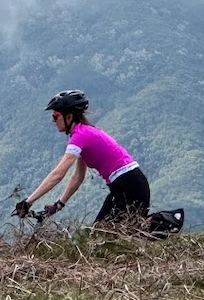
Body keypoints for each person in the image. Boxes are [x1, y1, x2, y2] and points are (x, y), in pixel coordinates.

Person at [12, 89, 150, 224]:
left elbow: (58, 174)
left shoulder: (81, 136)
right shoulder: (82, 134)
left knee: (110, 236)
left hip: (129, 185)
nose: (53, 121)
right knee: (104, 234)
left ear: (69, 116)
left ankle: (168, 221)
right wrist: (59, 205)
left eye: (55, 116)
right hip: (125, 185)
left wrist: (28, 202)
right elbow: (78, 177)